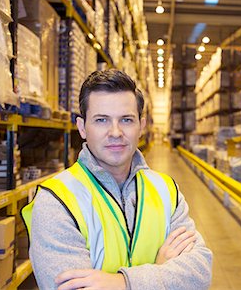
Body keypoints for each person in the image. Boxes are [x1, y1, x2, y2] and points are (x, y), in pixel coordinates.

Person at [22, 70, 213, 289]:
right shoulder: (57, 201)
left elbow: (199, 275)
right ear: (82, 128)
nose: (115, 132)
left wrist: (123, 283)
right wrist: (161, 272)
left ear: (141, 126)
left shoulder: (166, 190)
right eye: (102, 120)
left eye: (126, 120)